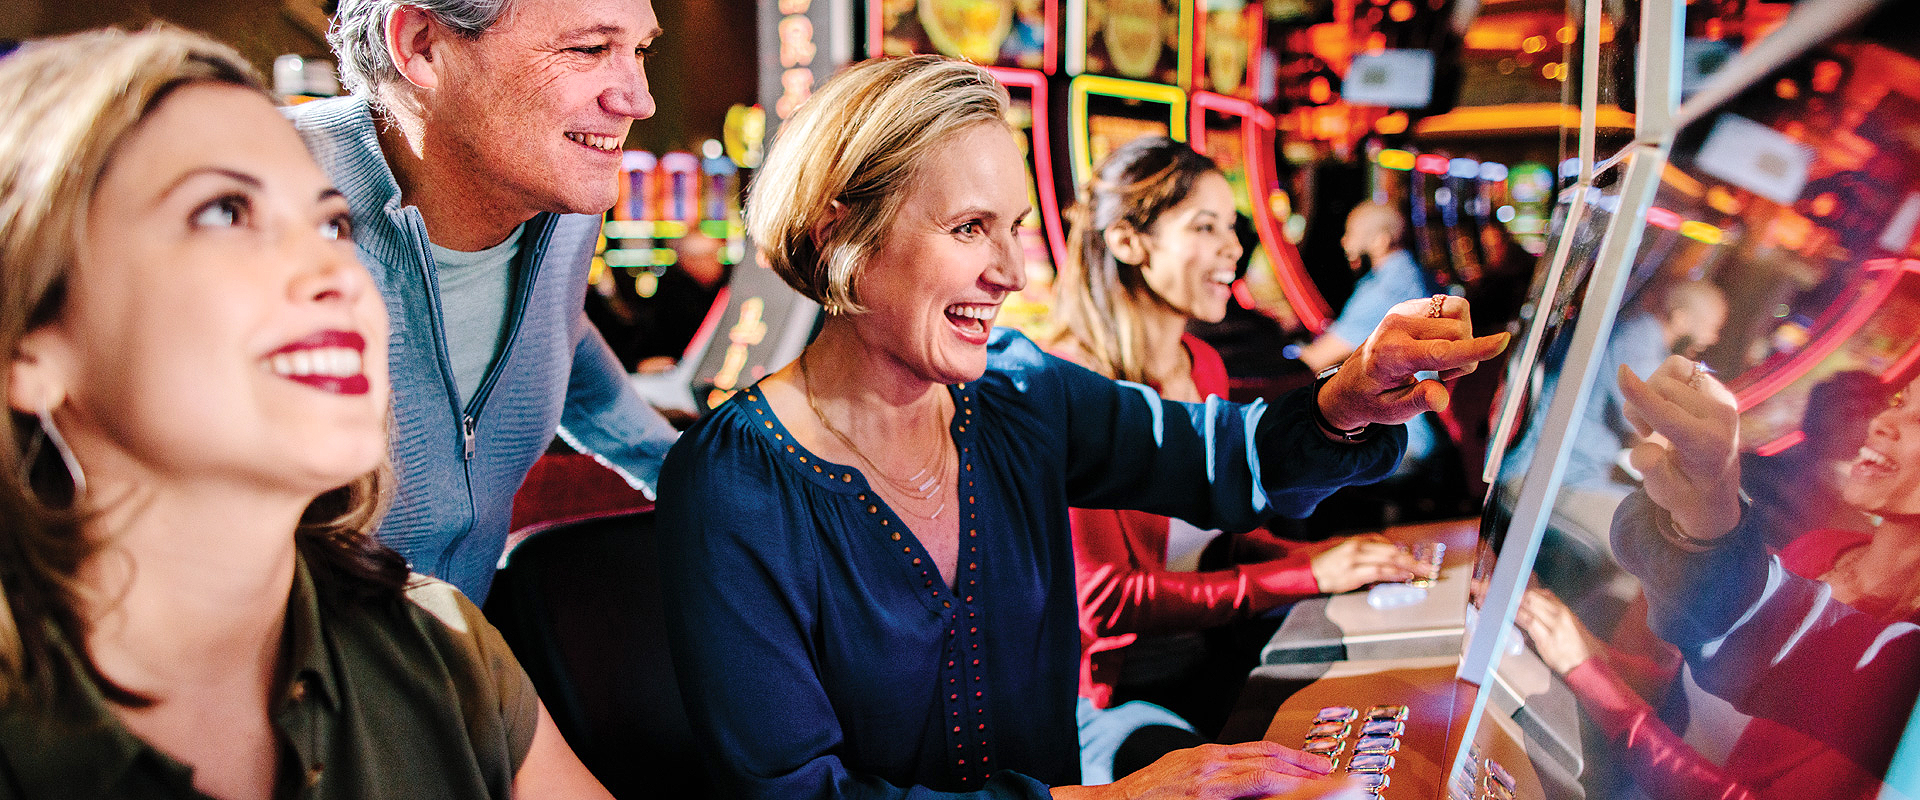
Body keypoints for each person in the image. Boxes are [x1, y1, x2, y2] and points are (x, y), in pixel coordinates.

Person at [656, 55, 1510, 800]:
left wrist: (1349, 396)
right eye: (969, 229)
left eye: (1017, 228)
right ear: (839, 230)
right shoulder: (734, 480)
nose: (1011, 271)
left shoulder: (1020, 396)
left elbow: (1219, 457)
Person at [0, 28, 607, 799]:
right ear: (28, 343)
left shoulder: (439, 646)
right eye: (223, 213)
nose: (335, 274)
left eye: (333, 225)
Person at [292, 0, 680, 604]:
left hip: (452, 669)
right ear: (422, 43)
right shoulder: (255, 194)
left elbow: (555, 330)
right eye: (589, 49)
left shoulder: (562, 204)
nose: (639, 100)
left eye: (640, 50)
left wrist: (685, 477)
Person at [1047, 137, 1419, 747]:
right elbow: (1106, 601)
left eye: (1230, 224)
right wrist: (1306, 577)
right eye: (1204, 226)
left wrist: (1323, 558)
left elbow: (1214, 539)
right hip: (1120, 689)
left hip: (1211, 641)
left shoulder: (1200, 363)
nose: (1233, 247)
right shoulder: (1075, 383)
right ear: (1127, 242)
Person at [1569, 357, 1920, 797]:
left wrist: (1596, 685)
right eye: (1900, 402)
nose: (1884, 420)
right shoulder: (1824, 546)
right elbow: (1708, 687)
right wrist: (1589, 653)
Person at [1562, 280, 1728, 490]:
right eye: (1710, 328)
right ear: (1680, 319)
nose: (1712, 339)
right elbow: (1652, 437)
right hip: (1563, 463)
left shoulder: (1648, 344)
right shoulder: (1638, 349)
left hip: (1582, 462)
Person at [1294, 201, 1433, 373]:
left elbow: (1317, 359)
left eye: (1351, 233)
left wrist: (1288, 350)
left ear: (1380, 241)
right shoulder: (1408, 271)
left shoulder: (1384, 292)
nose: (1344, 241)